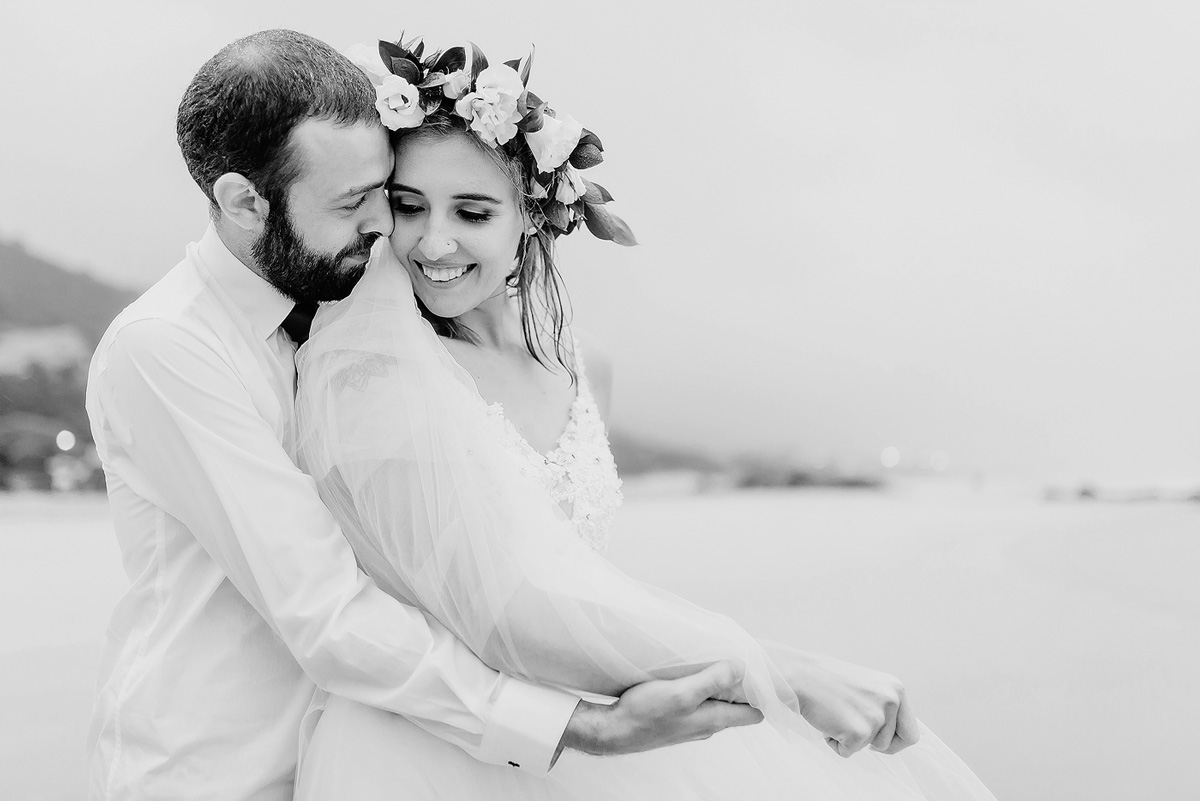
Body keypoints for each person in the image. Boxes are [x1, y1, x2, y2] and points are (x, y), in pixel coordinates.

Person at [292, 37, 997, 799]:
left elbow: (580, 579)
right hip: (430, 751)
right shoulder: (380, 380)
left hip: (571, 716)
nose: (433, 241)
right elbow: (505, 612)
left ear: (531, 216)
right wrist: (779, 675)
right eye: (407, 207)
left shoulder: (583, 362)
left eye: (472, 210)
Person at [83, 29, 771, 801]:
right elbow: (328, 611)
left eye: (385, 192)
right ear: (245, 202)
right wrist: (579, 725)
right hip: (219, 770)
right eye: (355, 202)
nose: (386, 227)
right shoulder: (168, 350)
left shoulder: (353, 306)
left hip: (407, 741)